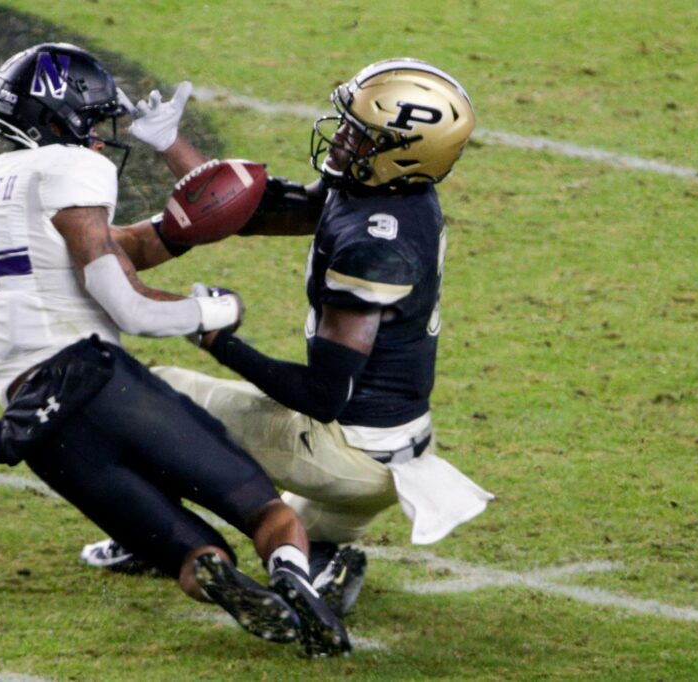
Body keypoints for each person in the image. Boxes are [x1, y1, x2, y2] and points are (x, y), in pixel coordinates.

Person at [0, 42, 349, 657]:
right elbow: (126, 305)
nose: (103, 138)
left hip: (32, 419)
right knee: (267, 514)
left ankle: (217, 576)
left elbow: (96, 249)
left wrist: (174, 232)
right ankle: (295, 576)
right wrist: (210, 312)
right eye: (95, 119)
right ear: (60, 118)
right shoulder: (69, 166)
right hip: (99, 380)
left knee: (192, 555)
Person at [84, 59, 494, 618]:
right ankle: (323, 562)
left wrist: (217, 339)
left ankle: (155, 539)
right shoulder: (392, 194)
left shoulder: (375, 250)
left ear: (402, 152)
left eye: (361, 132)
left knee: (145, 400)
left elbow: (320, 396)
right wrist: (173, 146)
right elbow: (249, 212)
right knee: (290, 533)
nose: (343, 135)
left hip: (348, 454)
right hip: (399, 450)